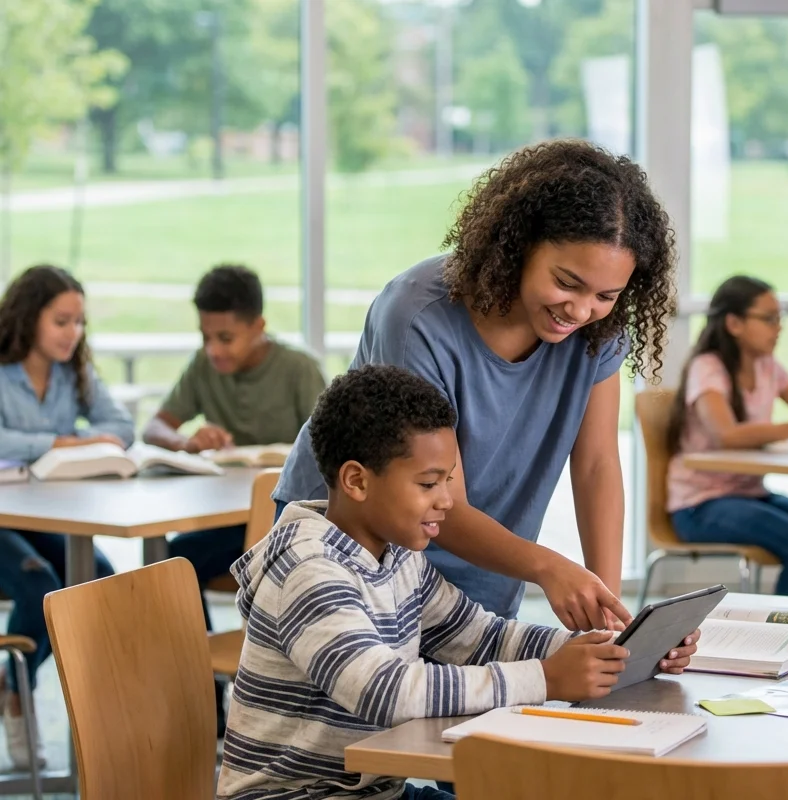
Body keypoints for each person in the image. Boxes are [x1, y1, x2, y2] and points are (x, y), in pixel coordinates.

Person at [216, 365, 698, 800]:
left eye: (449, 479)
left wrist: (607, 649)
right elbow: (384, 691)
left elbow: (482, 637)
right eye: (428, 484)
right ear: (357, 482)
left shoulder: (397, 555)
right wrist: (547, 678)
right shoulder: (308, 567)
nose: (447, 501)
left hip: (373, 794)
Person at [273, 139, 678, 632]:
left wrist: (607, 614)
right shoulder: (418, 317)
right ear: (522, 243)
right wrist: (548, 567)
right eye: (567, 282)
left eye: (606, 295)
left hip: (485, 573)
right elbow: (442, 501)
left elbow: (595, 465)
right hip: (358, 564)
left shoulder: (596, 332)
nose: (580, 309)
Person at [142, 263, 326, 732]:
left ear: (258, 327)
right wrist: (186, 441)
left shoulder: (297, 368)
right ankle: (208, 688)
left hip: (289, 529)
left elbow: (332, 441)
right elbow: (154, 426)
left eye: (225, 337)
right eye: (206, 337)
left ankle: (247, 683)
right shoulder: (205, 367)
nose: (213, 349)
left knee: (179, 559)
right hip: (231, 524)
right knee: (170, 562)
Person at [0, 265, 131, 767]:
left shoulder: (73, 371)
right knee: (40, 584)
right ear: (30, 318)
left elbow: (120, 425)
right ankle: (17, 689)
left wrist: (95, 440)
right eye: (61, 321)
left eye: (79, 323)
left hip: (43, 516)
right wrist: (64, 441)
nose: (72, 334)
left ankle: (14, 683)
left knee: (98, 578)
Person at [665, 275, 788, 598]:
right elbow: (727, 435)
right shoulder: (708, 367)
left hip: (749, 492)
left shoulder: (768, 366)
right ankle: (779, 635)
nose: (779, 327)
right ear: (734, 323)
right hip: (700, 504)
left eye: (780, 318)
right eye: (769, 318)